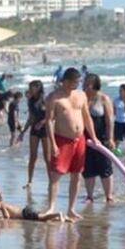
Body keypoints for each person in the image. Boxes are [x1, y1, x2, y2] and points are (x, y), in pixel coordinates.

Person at [46, 68, 97, 221]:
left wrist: (94, 137)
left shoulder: (81, 95)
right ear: (66, 81)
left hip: (79, 139)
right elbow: (49, 121)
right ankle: (51, 207)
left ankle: (71, 209)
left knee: (77, 174)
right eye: (75, 82)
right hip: (62, 139)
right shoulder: (54, 98)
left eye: (78, 82)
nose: (77, 84)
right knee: (56, 174)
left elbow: (87, 117)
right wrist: (53, 144)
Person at [82, 74, 115, 203]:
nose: (86, 85)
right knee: (87, 167)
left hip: (101, 138)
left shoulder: (103, 99)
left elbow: (110, 119)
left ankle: (109, 196)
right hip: (85, 138)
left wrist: (110, 137)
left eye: (89, 83)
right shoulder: (82, 98)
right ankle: (89, 196)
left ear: (96, 84)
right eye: (85, 82)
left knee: (105, 166)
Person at [20, 80, 48, 189]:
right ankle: (30, 181)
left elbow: (52, 115)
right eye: (29, 87)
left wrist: (42, 122)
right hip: (34, 130)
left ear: (38, 88)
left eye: (32, 87)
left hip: (45, 129)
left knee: (47, 157)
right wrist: (23, 131)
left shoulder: (45, 99)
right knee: (33, 156)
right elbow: (31, 117)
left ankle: (51, 181)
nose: (30, 89)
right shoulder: (30, 101)